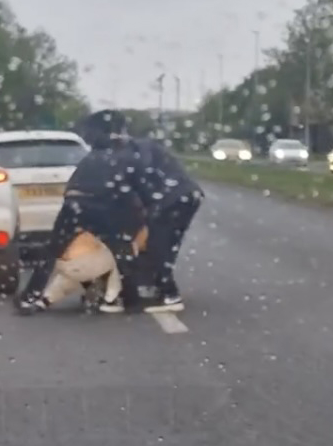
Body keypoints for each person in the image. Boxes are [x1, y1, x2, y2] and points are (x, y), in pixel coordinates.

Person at [16, 111, 145, 316]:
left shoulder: (92, 155)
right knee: (120, 247)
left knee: (52, 249)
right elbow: (127, 191)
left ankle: (29, 296)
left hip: (74, 202)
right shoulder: (121, 155)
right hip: (102, 202)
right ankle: (131, 299)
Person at [112, 124, 204, 313]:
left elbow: (139, 183)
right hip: (189, 195)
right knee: (168, 242)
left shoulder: (133, 153)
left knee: (158, 243)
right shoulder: (144, 146)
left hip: (172, 199)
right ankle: (157, 284)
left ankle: (170, 294)